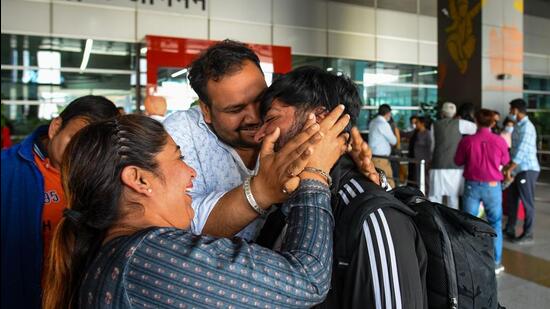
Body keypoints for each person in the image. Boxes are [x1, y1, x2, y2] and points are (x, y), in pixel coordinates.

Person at [42, 112, 349, 308]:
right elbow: (307, 279)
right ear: (139, 179)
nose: (191, 173)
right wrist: (314, 175)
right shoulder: (149, 257)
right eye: (178, 158)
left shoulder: (120, 252)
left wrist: (266, 188)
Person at [163, 39, 377, 240]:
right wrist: (261, 191)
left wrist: (370, 179)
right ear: (206, 110)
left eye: (260, 99)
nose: (256, 117)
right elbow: (179, 225)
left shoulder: (289, 129)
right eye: (236, 109)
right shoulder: (178, 137)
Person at [254, 66, 428, 308]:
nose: (259, 135)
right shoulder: (287, 197)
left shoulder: (372, 215)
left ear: (323, 119)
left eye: (271, 119)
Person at [1, 95, 119, 309]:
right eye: (74, 139)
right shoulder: (7, 169)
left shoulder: (104, 179)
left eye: (91, 147)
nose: (79, 153)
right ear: (56, 127)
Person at [454, 109, 510, 274]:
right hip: (493, 187)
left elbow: (457, 161)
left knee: (469, 223)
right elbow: (505, 160)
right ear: (493, 122)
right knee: (495, 223)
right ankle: (496, 263)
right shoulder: (499, 141)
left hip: (472, 186)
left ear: (476, 122)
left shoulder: (467, 141)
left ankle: (470, 259)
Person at [503, 98, 540, 244]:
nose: (510, 112)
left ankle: (528, 233)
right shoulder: (518, 126)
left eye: (511, 109)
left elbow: (521, 153)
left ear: (517, 110)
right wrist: (509, 168)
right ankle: (510, 228)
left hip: (527, 170)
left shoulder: (527, 128)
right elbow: (514, 150)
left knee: (527, 202)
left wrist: (508, 170)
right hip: (517, 170)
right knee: (512, 201)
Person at [429, 101, 476, 209]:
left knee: (435, 198)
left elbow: (433, 146)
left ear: (442, 113)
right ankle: (452, 223)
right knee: (453, 198)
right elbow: (476, 128)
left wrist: (431, 159)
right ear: (455, 114)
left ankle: (436, 222)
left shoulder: (435, 125)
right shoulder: (460, 123)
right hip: (455, 166)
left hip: (438, 165)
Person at [368, 104, 397, 188]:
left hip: (374, 157)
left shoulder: (373, 122)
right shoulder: (383, 124)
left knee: (378, 182)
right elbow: (394, 141)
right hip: (381, 159)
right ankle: (392, 201)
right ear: (388, 113)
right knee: (389, 183)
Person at [408, 116, 432, 193]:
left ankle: (425, 194)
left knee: (424, 179)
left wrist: (429, 161)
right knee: (417, 178)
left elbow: (430, 147)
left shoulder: (428, 134)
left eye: (417, 122)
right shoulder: (416, 132)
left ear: (422, 123)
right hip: (416, 160)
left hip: (424, 160)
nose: (415, 124)